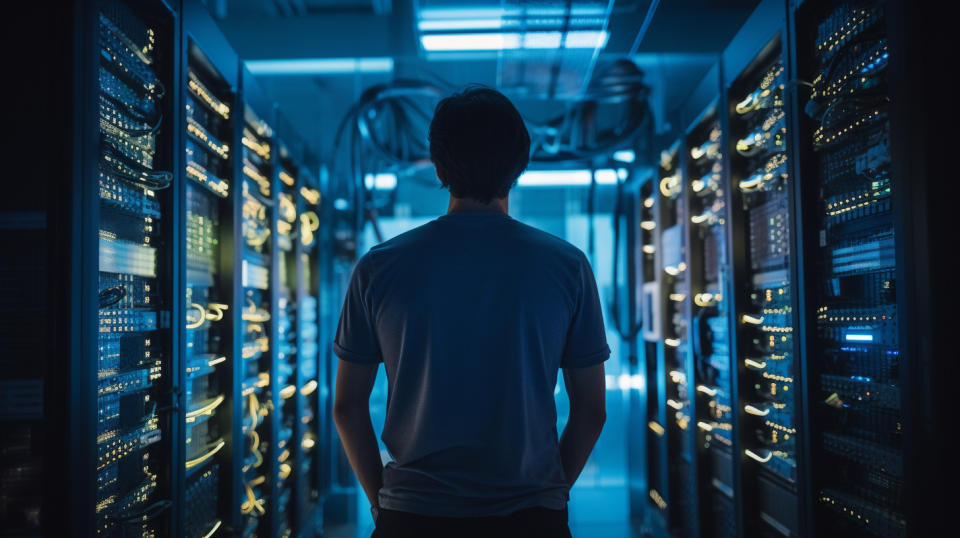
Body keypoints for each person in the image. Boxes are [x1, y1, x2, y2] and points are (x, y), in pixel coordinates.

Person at [333, 86, 609, 538]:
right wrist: (548, 495)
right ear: (521, 164)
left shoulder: (378, 268)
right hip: (531, 516)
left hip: (413, 515)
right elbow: (591, 410)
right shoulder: (568, 266)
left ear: (438, 167)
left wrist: (383, 505)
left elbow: (347, 406)